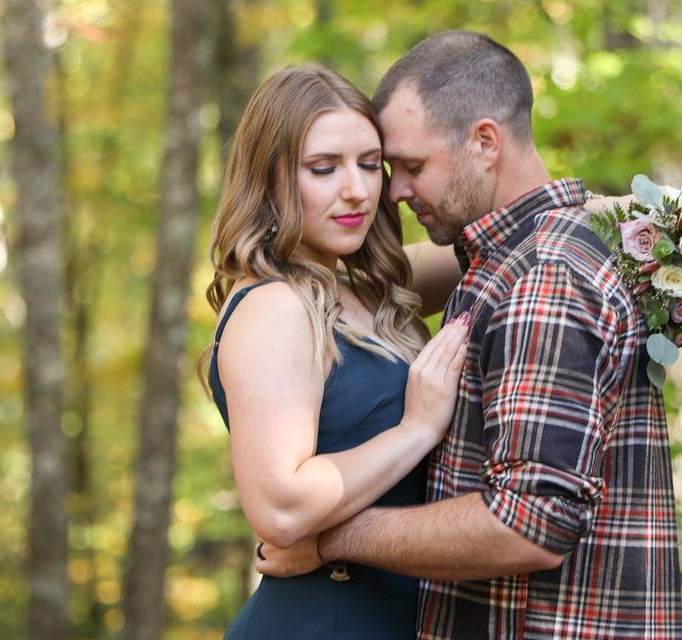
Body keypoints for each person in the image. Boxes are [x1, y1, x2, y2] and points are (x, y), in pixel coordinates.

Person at [257, 31, 682, 639]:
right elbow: (372, 282)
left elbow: (528, 522)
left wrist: (331, 538)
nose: (393, 191)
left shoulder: (544, 278)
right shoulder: (504, 260)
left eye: (411, 166)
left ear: (484, 141)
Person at [204, 64, 469, 639]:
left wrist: (681, 215)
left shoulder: (371, 290)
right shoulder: (276, 307)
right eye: (323, 168)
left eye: (370, 165)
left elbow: (511, 238)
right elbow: (280, 508)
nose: (357, 189)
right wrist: (416, 429)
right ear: (269, 177)